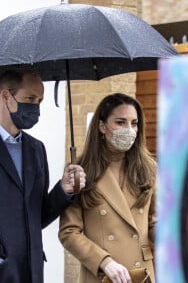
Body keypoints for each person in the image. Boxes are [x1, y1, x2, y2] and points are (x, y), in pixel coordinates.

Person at [0, 69, 86, 283]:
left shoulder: (36, 149)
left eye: (40, 100)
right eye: (29, 98)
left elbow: (37, 216)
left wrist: (63, 190)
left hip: (32, 274)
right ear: (6, 96)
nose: (35, 107)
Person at [59, 93, 157, 283]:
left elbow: (153, 220)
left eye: (134, 123)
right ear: (102, 126)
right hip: (102, 275)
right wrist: (103, 261)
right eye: (120, 122)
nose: (129, 130)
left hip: (141, 274)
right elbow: (69, 232)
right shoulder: (81, 172)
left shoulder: (148, 169)